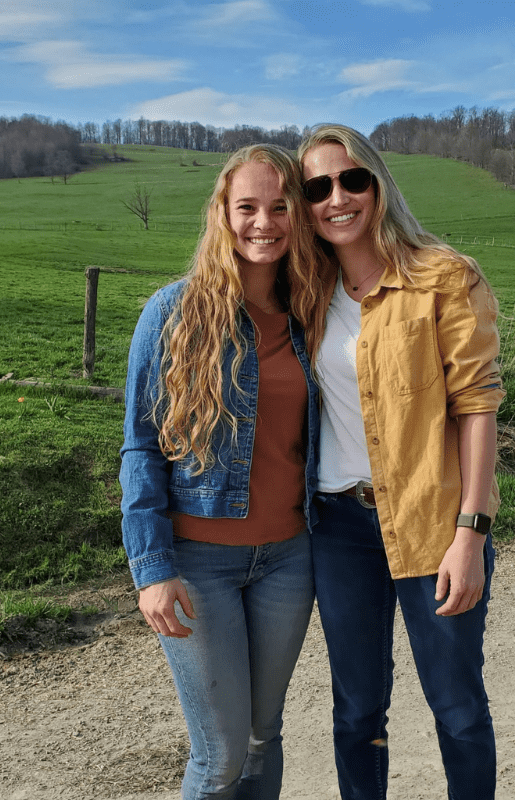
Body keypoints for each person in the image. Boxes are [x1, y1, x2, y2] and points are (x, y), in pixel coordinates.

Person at [297, 123, 505, 800]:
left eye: (351, 178)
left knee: (457, 708)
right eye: (318, 187)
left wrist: (470, 532)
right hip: (339, 529)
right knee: (358, 712)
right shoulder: (305, 292)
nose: (337, 197)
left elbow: (476, 404)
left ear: (378, 184)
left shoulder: (442, 276)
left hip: (434, 522)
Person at [119, 143, 326, 800]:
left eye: (280, 207)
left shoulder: (311, 316)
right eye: (247, 207)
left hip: (290, 558)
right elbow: (141, 447)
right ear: (222, 214)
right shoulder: (172, 313)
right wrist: (151, 568)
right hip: (199, 563)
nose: (263, 222)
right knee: (221, 754)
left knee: (266, 736)